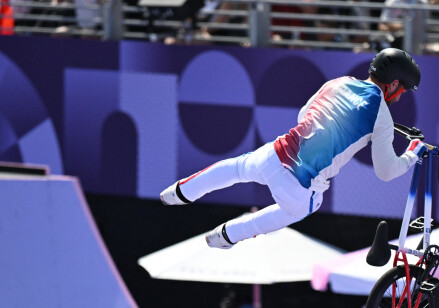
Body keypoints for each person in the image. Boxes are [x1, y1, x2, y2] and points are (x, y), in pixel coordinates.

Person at [159, 48, 424, 249]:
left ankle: (180, 192)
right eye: (402, 90)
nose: (400, 97)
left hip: (274, 154)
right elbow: (386, 172)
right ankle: (227, 235)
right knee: (309, 206)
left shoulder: (338, 82)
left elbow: (304, 115)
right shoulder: (382, 117)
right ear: (392, 84)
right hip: (300, 188)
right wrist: (412, 152)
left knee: (238, 167)